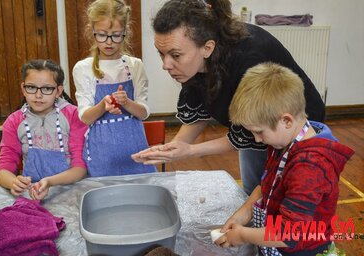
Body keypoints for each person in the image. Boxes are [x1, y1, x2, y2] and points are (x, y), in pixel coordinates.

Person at [131, 0, 325, 195]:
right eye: (161, 54)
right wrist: (175, 148)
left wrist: (190, 151)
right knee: (254, 192)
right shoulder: (191, 62)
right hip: (259, 127)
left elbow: (250, 134)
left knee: (283, 195)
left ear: (207, 48)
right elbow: (200, 111)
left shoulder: (249, 59)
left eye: (175, 55)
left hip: (293, 128)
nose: (166, 64)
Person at [214, 62, 354, 255]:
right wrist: (242, 214)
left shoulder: (310, 166)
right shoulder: (283, 141)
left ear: (286, 120)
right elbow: (265, 186)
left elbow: (290, 234)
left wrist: (244, 235)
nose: (257, 139)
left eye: (259, 132)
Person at [73, 0, 156, 176]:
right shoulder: (83, 68)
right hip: (101, 153)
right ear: (92, 31)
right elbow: (85, 117)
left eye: (116, 35)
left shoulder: (135, 66)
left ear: (125, 32)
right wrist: (103, 105)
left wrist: (127, 103)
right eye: (102, 35)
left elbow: (143, 113)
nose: (109, 42)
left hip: (134, 149)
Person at [0, 59, 88, 200]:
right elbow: (4, 167)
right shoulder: (13, 122)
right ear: (23, 89)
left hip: (71, 189)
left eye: (46, 88)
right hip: (32, 192)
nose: (38, 95)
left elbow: (80, 168)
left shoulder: (74, 116)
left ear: (58, 91)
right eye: (31, 87)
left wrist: (49, 182)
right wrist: (13, 182)